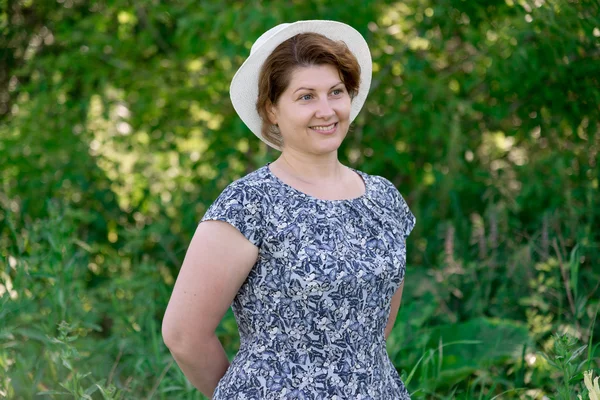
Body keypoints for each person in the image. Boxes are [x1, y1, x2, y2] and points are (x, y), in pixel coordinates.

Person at [162, 20, 416, 399]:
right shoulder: (250, 203)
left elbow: (376, 326)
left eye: (336, 92)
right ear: (271, 110)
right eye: (306, 97)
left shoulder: (383, 199)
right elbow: (183, 334)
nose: (326, 110)